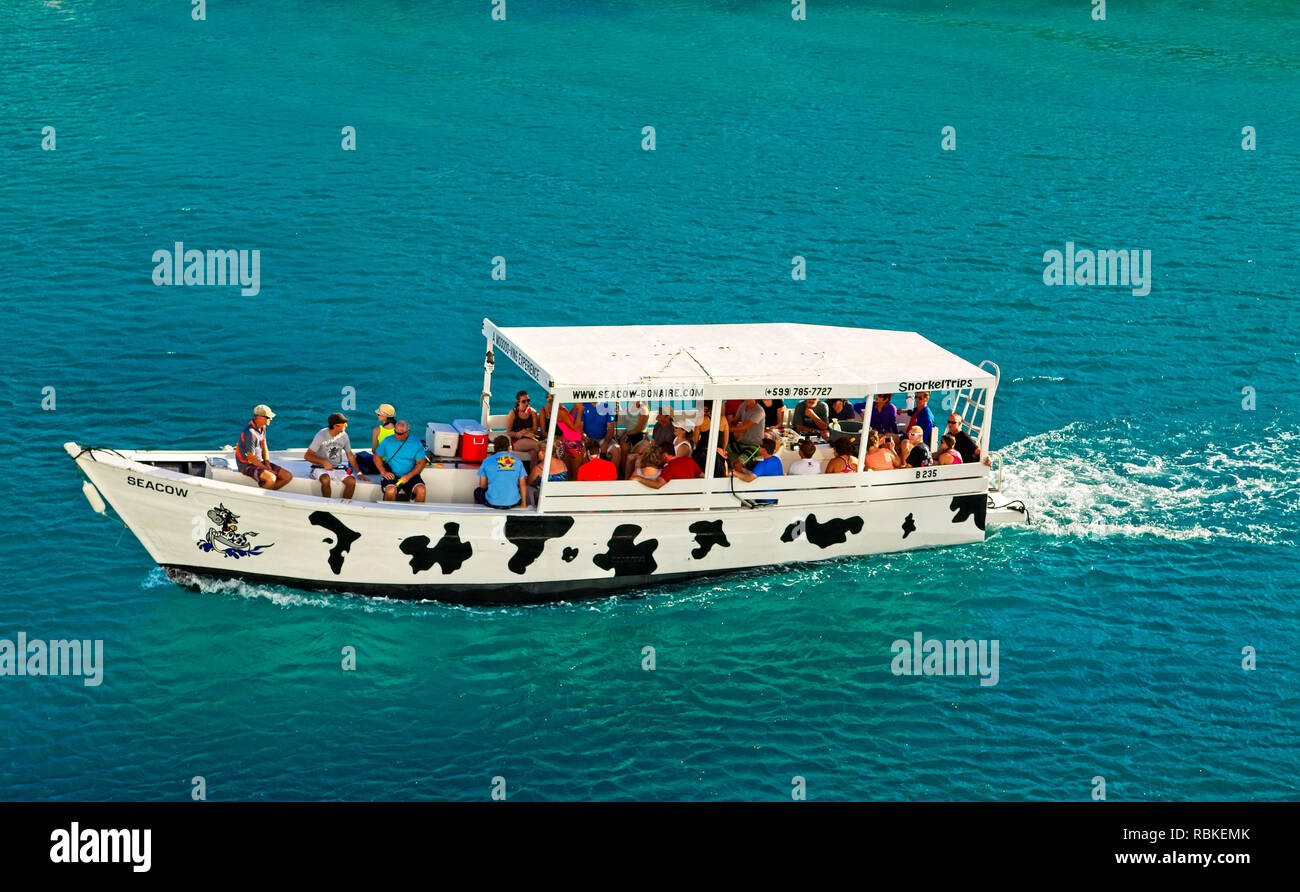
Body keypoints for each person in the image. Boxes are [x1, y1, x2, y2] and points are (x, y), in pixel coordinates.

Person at [304, 412, 368, 499]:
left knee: (351, 481)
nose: (346, 425)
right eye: (344, 424)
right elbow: (307, 456)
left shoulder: (344, 436)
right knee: (325, 479)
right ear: (336, 426)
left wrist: (359, 473)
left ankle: (344, 504)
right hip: (319, 467)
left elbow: (350, 456)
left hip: (337, 467)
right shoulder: (321, 435)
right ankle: (327, 504)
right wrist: (324, 462)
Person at [235, 404, 293, 490]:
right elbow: (251, 458)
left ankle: (268, 493)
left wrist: (267, 464)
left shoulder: (262, 428)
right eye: (268, 417)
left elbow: (264, 446)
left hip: (259, 462)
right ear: (259, 418)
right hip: (247, 465)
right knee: (271, 478)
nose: (271, 419)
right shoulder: (249, 433)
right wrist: (266, 469)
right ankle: (263, 500)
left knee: (287, 476)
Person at [374, 419, 427, 502]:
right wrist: (383, 472)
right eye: (395, 432)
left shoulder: (416, 443)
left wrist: (408, 476)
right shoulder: (387, 440)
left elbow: (421, 463)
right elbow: (377, 456)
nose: (396, 435)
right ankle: (388, 513)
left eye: (399, 434)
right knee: (391, 490)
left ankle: (417, 513)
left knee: (421, 490)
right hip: (392, 475)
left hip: (410, 475)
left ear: (407, 432)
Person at [718, 436, 783, 503]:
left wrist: (735, 473)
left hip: (764, 498)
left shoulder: (763, 464)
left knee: (737, 486)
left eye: (760, 446)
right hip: (775, 495)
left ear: (763, 450)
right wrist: (743, 471)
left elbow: (749, 479)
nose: (759, 448)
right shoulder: (777, 460)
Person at [476, 435, 528, 508]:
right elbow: (523, 485)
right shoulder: (518, 462)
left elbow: (482, 485)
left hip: (493, 502)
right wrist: (524, 504)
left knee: (477, 491)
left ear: (494, 448)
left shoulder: (487, 461)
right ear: (508, 447)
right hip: (512, 503)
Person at [355, 403, 396, 475]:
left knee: (358, 459)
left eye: (379, 414)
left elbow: (374, 451)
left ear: (385, 415)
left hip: (382, 464)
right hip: (395, 464)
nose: (377, 415)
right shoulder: (399, 429)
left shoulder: (377, 430)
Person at [692, 402, 729, 478]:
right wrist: (722, 450)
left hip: (704, 452)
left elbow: (695, 440)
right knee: (723, 475)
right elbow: (726, 439)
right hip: (719, 451)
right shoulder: (723, 419)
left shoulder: (700, 420)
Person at [527, 438, 569, 505]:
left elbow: (528, 482)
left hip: (545, 502)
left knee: (527, 488)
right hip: (561, 500)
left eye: (538, 451)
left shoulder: (539, 468)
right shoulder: (562, 463)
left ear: (542, 452)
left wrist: (533, 461)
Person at [728, 398, 766, 467]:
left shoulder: (759, 411)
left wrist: (726, 429)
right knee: (723, 450)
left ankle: (746, 476)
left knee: (737, 465)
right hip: (742, 443)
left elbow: (743, 428)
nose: (746, 399)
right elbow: (735, 421)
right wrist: (725, 423)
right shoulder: (742, 406)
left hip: (755, 446)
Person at [506, 391, 541, 460]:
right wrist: (520, 433)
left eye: (528, 400)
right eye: (524, 401)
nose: (527, 403)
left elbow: (535, 430)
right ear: (518, 402)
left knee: (534, 454)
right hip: (517, 442)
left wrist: (525, 432)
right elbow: (509, 432)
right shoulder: (513, 413)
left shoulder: (533, 412)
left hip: (530, 439)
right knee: (539, 445)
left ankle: (534, 470)